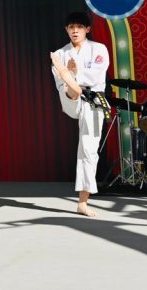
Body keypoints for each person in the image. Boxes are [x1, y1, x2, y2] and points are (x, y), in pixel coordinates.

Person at [50, 11, 110, 217]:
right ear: (66, 29)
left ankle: (82, 202)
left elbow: (96, 76)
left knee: (88, 149)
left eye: (79, 27)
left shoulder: (98, 49)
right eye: (71, 27)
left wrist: (74, 74)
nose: (75, 31)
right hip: (70, 97)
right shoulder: (60, 54)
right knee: (68, 86)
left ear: (87, 29)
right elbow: (58, 82)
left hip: (93, 99)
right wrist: (68, 79)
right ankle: (72, 85)